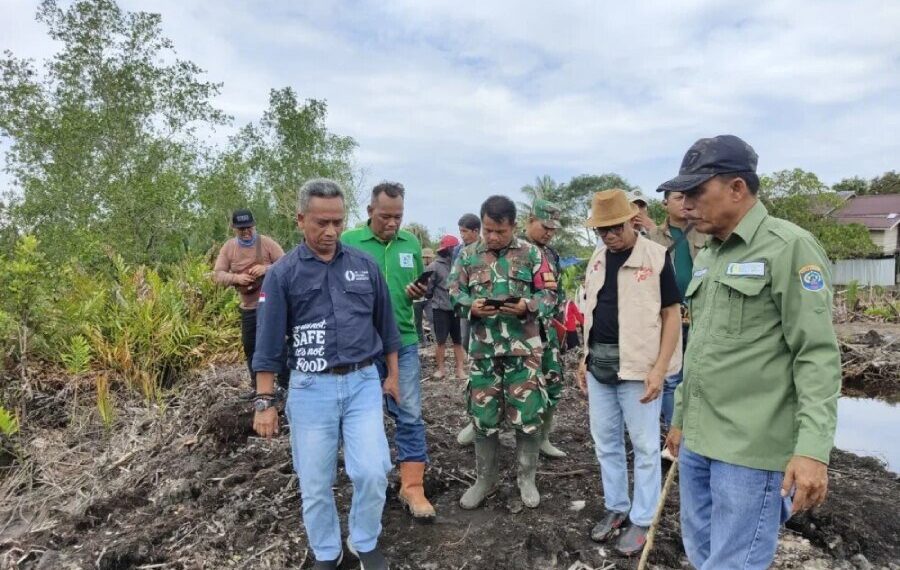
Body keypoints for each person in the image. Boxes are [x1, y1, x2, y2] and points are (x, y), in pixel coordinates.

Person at [659, 135, 840, 570]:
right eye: (682, 195)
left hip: (751, 452)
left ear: (737, 188)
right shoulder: (709, 254)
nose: (685, 205)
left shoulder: (789, 247)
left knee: (734, 563)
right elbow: (700, 345)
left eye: (696, 192)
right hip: (700, 441)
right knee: (702, 554)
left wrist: (813, 450)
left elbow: (816, 354)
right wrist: (681, 420)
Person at [251, 179, 400, 570]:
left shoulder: (364, 266)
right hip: (310, 387)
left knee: (372, 470)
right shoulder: (282, 275)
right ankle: (328, 553)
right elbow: (267, 345)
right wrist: (265, 402)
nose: (330, 231)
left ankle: (364, 541)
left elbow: (387, 328)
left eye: (337, 222)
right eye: (321, 223)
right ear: (301, 220)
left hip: (362, 383)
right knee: (315, 482)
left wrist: (393, 377)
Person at [576, 189, 682, 556]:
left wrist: (660, 369)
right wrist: (583, 359)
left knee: (645, 447)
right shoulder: (597, 258)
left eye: (614, 228)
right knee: (606, 443)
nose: (608, 236)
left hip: (639, 370)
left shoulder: (656, 257)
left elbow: (671, 315)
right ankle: (617, 508)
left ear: (631, 222)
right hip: (599, 367)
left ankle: (642, 518)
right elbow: (591, 311)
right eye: (600, 230)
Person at [449, 195, 556, 510]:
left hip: (524, 352)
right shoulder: (468, 256)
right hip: (483, 353)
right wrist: (472, 306)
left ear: (513, 226)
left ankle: (527, 478)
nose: (492, 237)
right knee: (483, 418)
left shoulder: (532, 255)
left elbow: (550, 294)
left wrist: (528, 305)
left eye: (500, 231)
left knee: (528, 416)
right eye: (487, 230)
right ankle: (485, 479)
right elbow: (454, 293)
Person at [341, 182, 435, 521]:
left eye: (398, 216)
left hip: (404, 340)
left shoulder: (410, 243)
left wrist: (417, 291)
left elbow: (413, 294)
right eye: (385, 216)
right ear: (369, 212)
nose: (392, 223)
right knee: (361, 418)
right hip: (360, 346)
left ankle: (412, 486)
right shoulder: (348, 242)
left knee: (408, 413)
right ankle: (368, 485)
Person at [648, 188, 708, 448]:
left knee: (696, 375)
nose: (685, 203)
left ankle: (695, 432)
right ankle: (673, 437)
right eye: (678, 198)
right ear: (665, 204)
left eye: (688, 198)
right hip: (668, 318)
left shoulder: (705, 231)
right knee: (672, 378)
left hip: (699, 315)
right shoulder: (652, 236)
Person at [212, 209, 286, 392]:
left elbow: (287, 263)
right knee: (251, 348)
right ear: (234, 229)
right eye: (241, 229)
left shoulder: (267, 243)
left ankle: (285, 386)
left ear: (254, 225)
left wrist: (266, 269)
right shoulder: (229, 247)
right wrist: (236, 279)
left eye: (248, 228)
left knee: (279, 345)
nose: (246, 232)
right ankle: (258, 389)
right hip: (248, 307)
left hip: (271, 305)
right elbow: (217, 275)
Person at [522, 199, 567, 459]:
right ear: (530, 220)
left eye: (554, 228)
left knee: (553, 381)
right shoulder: (514, 249)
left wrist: (561, 325)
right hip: (521, 332)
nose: (549, 232)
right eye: (545, 226)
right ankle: (479, 425)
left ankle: (543, 438)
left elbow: (556, 292)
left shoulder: (552, 254)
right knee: (515, 387)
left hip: (548, 330)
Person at [453, 213, 482, 446]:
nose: (462, 235)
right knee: (466, 343)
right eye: (460, 231)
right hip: (470, 312)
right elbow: (454, 287)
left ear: (475, 231)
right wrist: (467, 304)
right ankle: (476, 422)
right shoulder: (461, 253)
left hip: (501, 325)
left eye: (465, 231)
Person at [426, 234, 467, 380]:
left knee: (458, 340)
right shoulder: (434, 266)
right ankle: (441, 369)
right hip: (440, 309)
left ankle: (460, 370)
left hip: (456, 309)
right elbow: (428, 289)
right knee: (441, 340)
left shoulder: (460, 265)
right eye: (453, 248)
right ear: (449, 249)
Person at [414, 247, 436, 346]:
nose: (429, 260)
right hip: (416, 299)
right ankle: (421, 341)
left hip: (427, 298)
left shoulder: (432, 268)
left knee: (432, 319)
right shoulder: (415, 267)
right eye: (428, 258)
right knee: (417, 322)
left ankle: (436, 340)